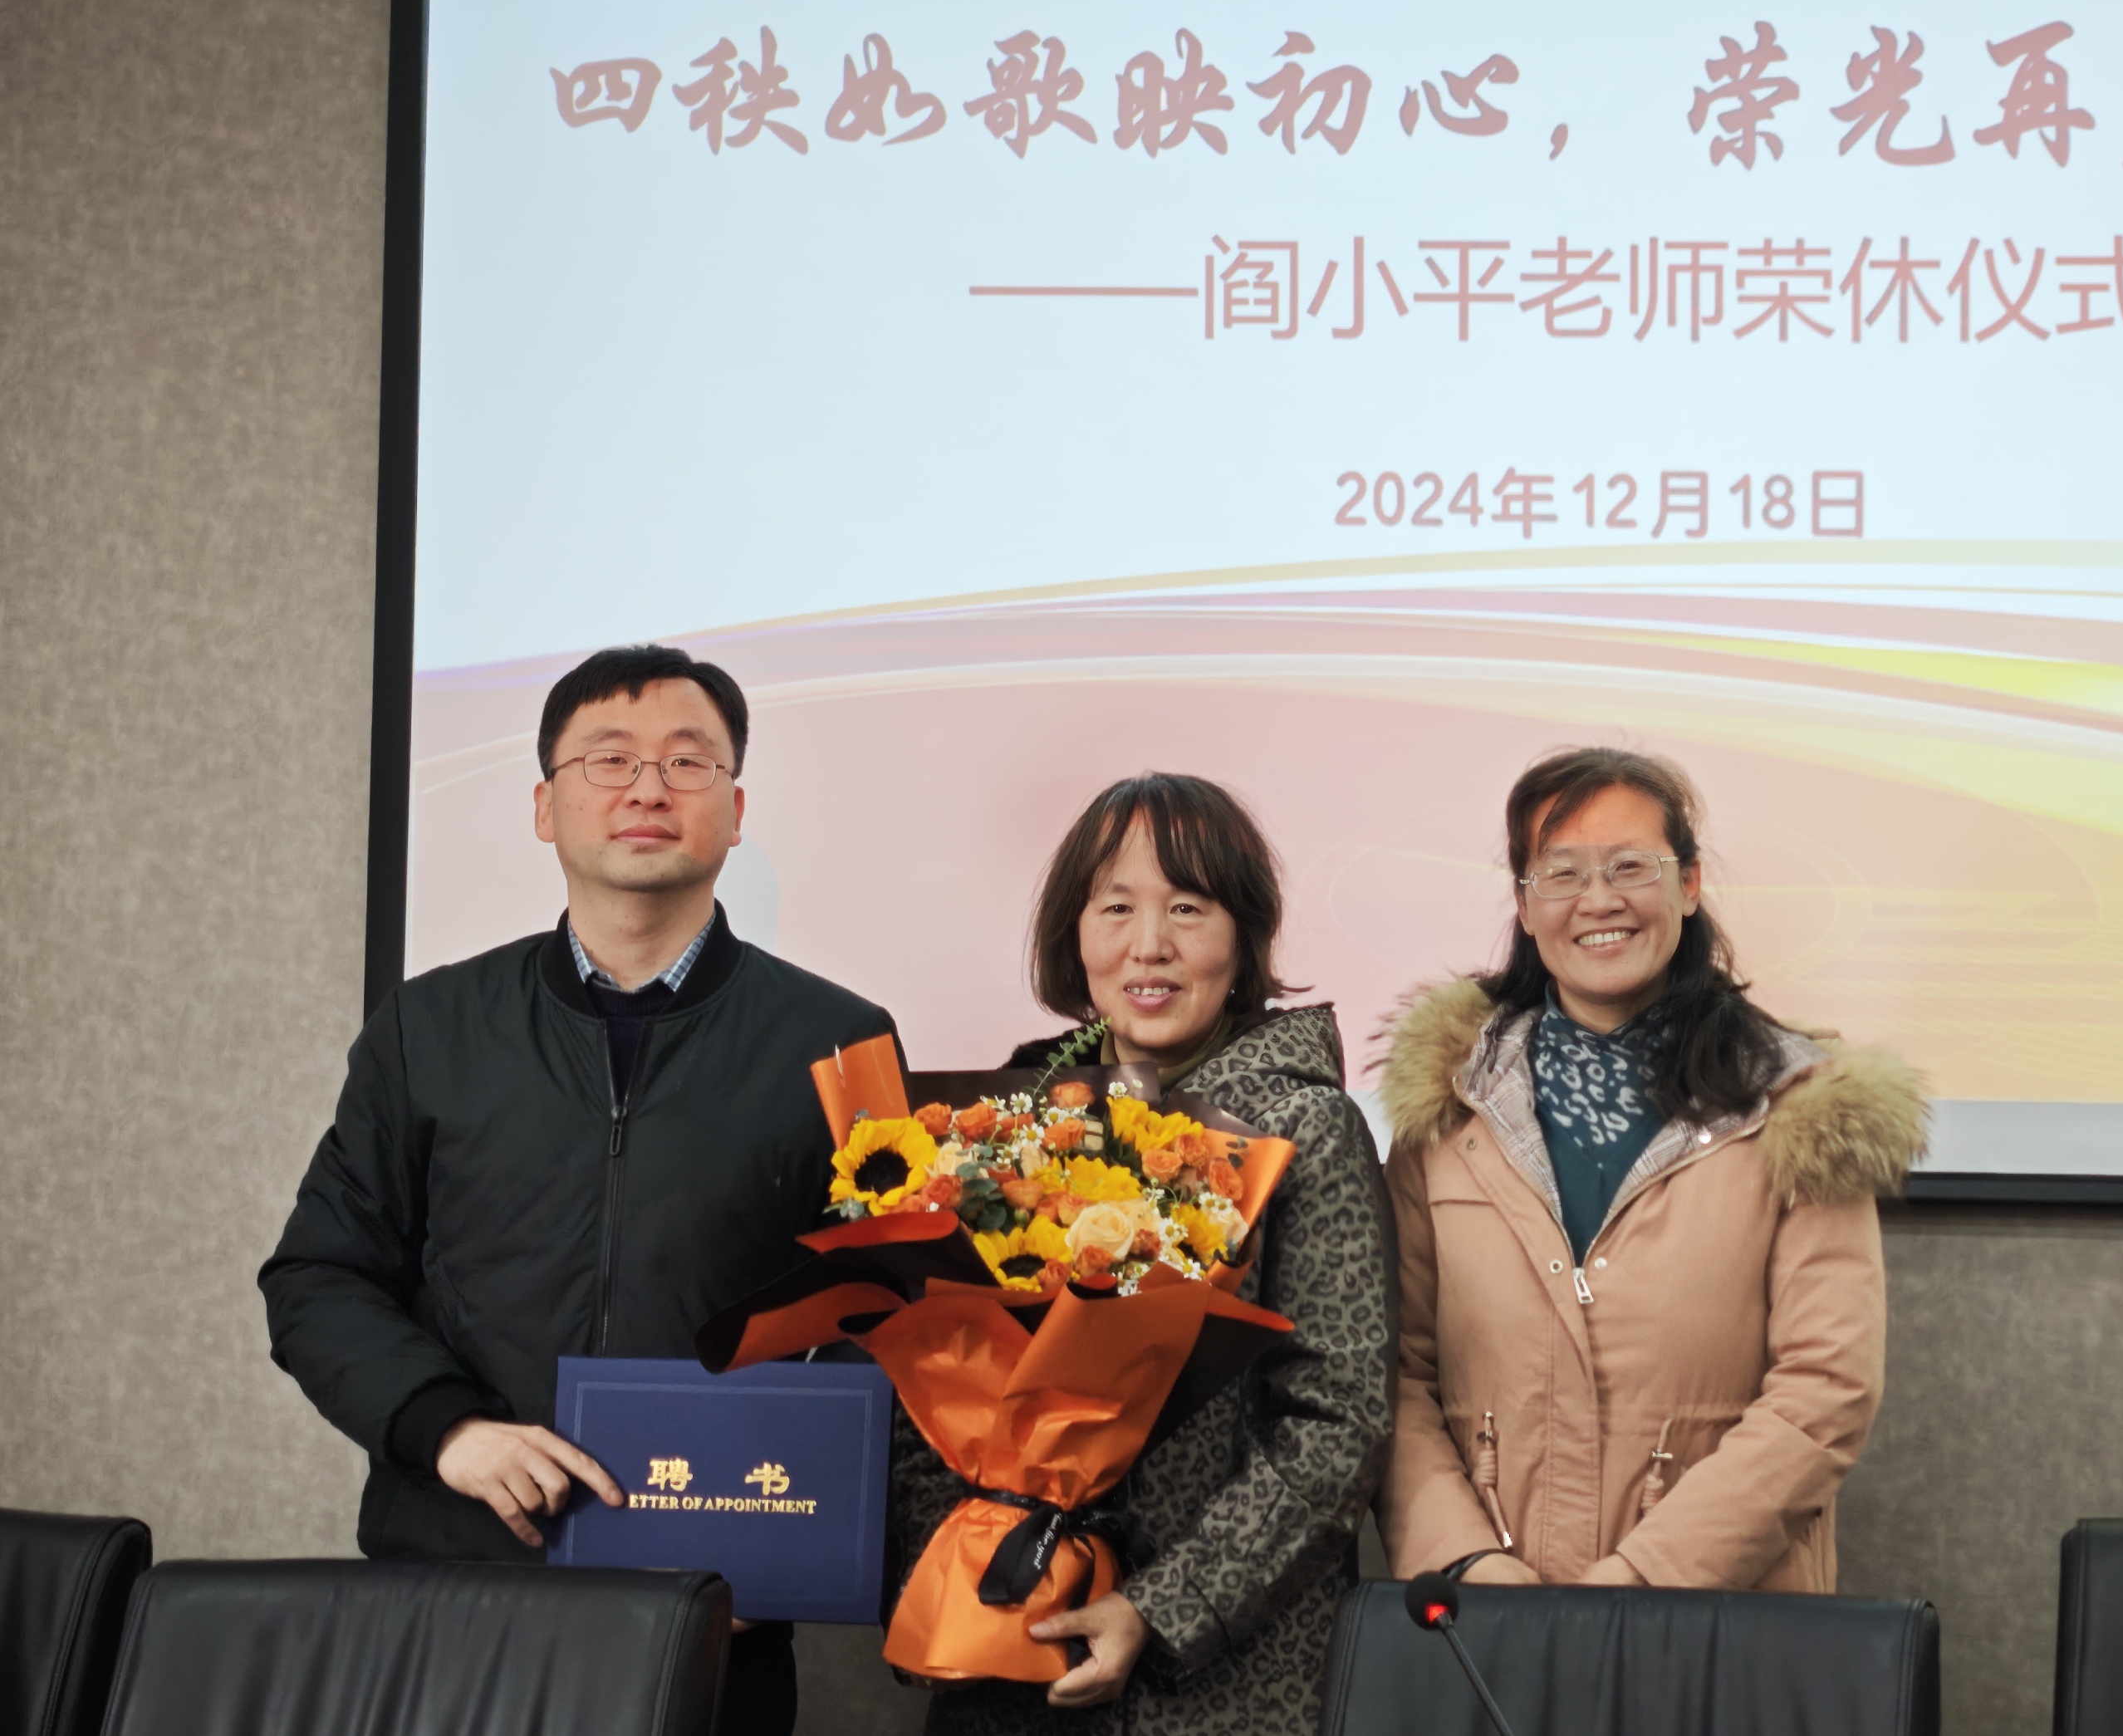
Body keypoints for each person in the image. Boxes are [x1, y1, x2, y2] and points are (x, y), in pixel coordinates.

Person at [262, 645, 894, 1736]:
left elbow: (893, 1313)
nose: (647, 788)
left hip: (712, 1602)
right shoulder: (430, 1026)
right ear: (545, 806)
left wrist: (783, 1530)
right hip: (453, 1581)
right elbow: (319, 1275)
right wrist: (448, 1429)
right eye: (609, 759)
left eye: (686, 762)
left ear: (736, 811)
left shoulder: (842, 1041)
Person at [889, 773, 1394, 1735]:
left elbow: (1338, 1421)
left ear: (1242, 936)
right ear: (1073, 933)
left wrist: (1159, 1609)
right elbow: (929, 1396)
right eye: (1115, 906)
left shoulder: (1305, 1127)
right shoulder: (1006, 1122)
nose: (1149, 943)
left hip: (1217, 1686)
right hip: (1012, 1655)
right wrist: (950, 1581)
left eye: (1188, 908)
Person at [1379, 745, 1928, 1591]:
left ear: (1689, 883)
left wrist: (1645, 1577)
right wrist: (1463, 1559)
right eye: (1560, 873)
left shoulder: (1800, 1107)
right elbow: (1395, 1373)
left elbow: (1825, 1389)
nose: (1598, 899)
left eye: (1630, 866)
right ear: (1524, 905)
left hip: (1719, 1620)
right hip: (1488, 1621)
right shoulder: (1450, 1106)